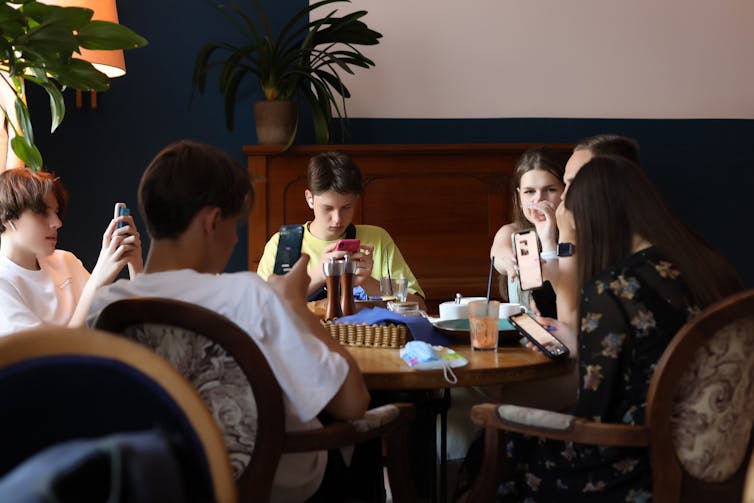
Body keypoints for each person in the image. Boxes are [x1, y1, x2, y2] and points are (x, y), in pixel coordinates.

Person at [85, 140, 371, 502]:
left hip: (160, 486)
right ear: (213, 221)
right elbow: (352, 403)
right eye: (235, 225)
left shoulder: (104, 307)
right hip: (270, 485)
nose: (234, 238)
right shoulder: (250, 296)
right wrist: (295, 305)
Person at [457, 155, 741, 501]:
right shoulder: (703, 266)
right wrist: (581, 340)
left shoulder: (614, 288)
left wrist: (502, 414)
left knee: (495, 450)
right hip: (717, 457)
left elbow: (593, 408)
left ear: (592, 216)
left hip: (634, 464)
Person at [256, 151, 426, 308]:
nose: (337, 219)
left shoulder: (377, 239)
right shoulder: (284, 243)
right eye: (327, 208)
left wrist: (369, 283)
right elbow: (263, 308)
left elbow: (419, 305)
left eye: (347, 207)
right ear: (310, 199)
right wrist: (321, 272)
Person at [0, 168, 142, 335]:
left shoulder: (66, 261)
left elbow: (125, 327)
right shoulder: (4, 283)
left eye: (56, 212)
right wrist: (97, 279)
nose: (57, 222)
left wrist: (136, 266)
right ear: (7, 217)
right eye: (42, 212)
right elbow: (51, 357)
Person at [489, 147, 567, 317]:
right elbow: (499, 255)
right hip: (523, 333)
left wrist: (548, 239)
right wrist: (511, 262)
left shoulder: (576, 234)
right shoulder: (511, 231)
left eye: (550, 189)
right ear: (519, 197)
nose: (538, 199)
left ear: (565, 191)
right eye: (530, 191)